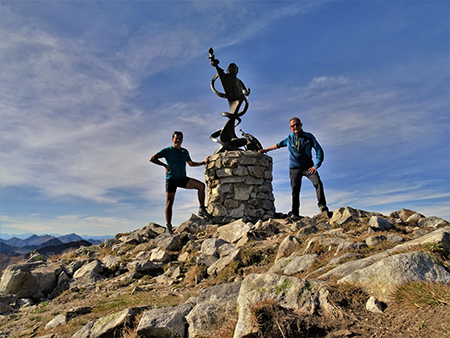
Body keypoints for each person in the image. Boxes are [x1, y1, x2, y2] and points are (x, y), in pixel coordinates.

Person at [259, 117, 330, 218]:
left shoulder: (308, 137)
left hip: (308, 168)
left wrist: (316, 165)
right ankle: (295, 212)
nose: (295, 127)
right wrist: (265, 150)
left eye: (297, 124)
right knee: (295, 190)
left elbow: (319, 150)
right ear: (290, 128)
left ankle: (322, 207)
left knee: (318, 183)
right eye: (293, 126)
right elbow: (278, 145)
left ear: (301, 125)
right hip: (294, 169)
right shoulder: (289, 138)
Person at [150, 131, 211, 233]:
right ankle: (168, 227)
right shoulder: (167, 150)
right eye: (176, 138)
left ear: (182, 140)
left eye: (180, 138)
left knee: (201, 186)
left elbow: (191, 164)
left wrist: (203, 163)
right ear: (172, 139)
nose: (178, 140)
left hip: (183, 179)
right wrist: (165, 166)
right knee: (169, 202)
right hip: (171, 179)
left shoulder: (184, 152)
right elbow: (153, 159)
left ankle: (201, 209)